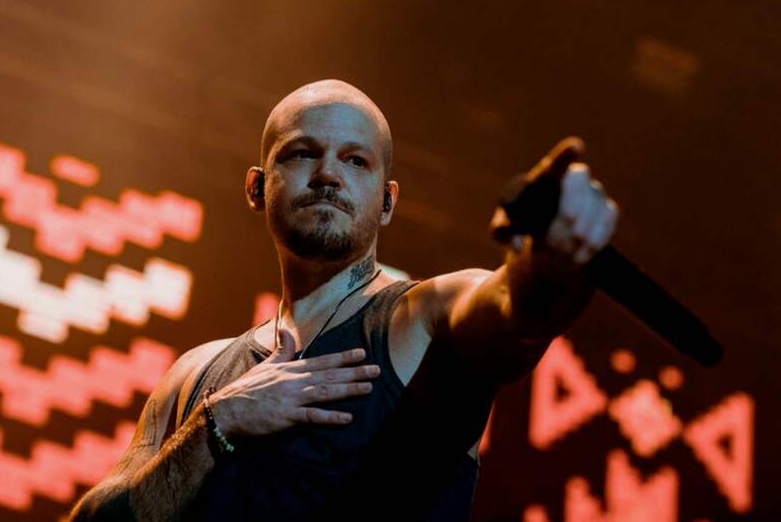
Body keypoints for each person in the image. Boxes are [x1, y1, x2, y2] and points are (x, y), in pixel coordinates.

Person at [69, 79, 619, 521]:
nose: (329, 173)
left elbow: (513, 309)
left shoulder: (420, 319)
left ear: (386, 200)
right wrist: (219, 423)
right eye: (303, 153)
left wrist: (550, 262)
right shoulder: (196, 376)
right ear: (258, 188)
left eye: (356, 161)